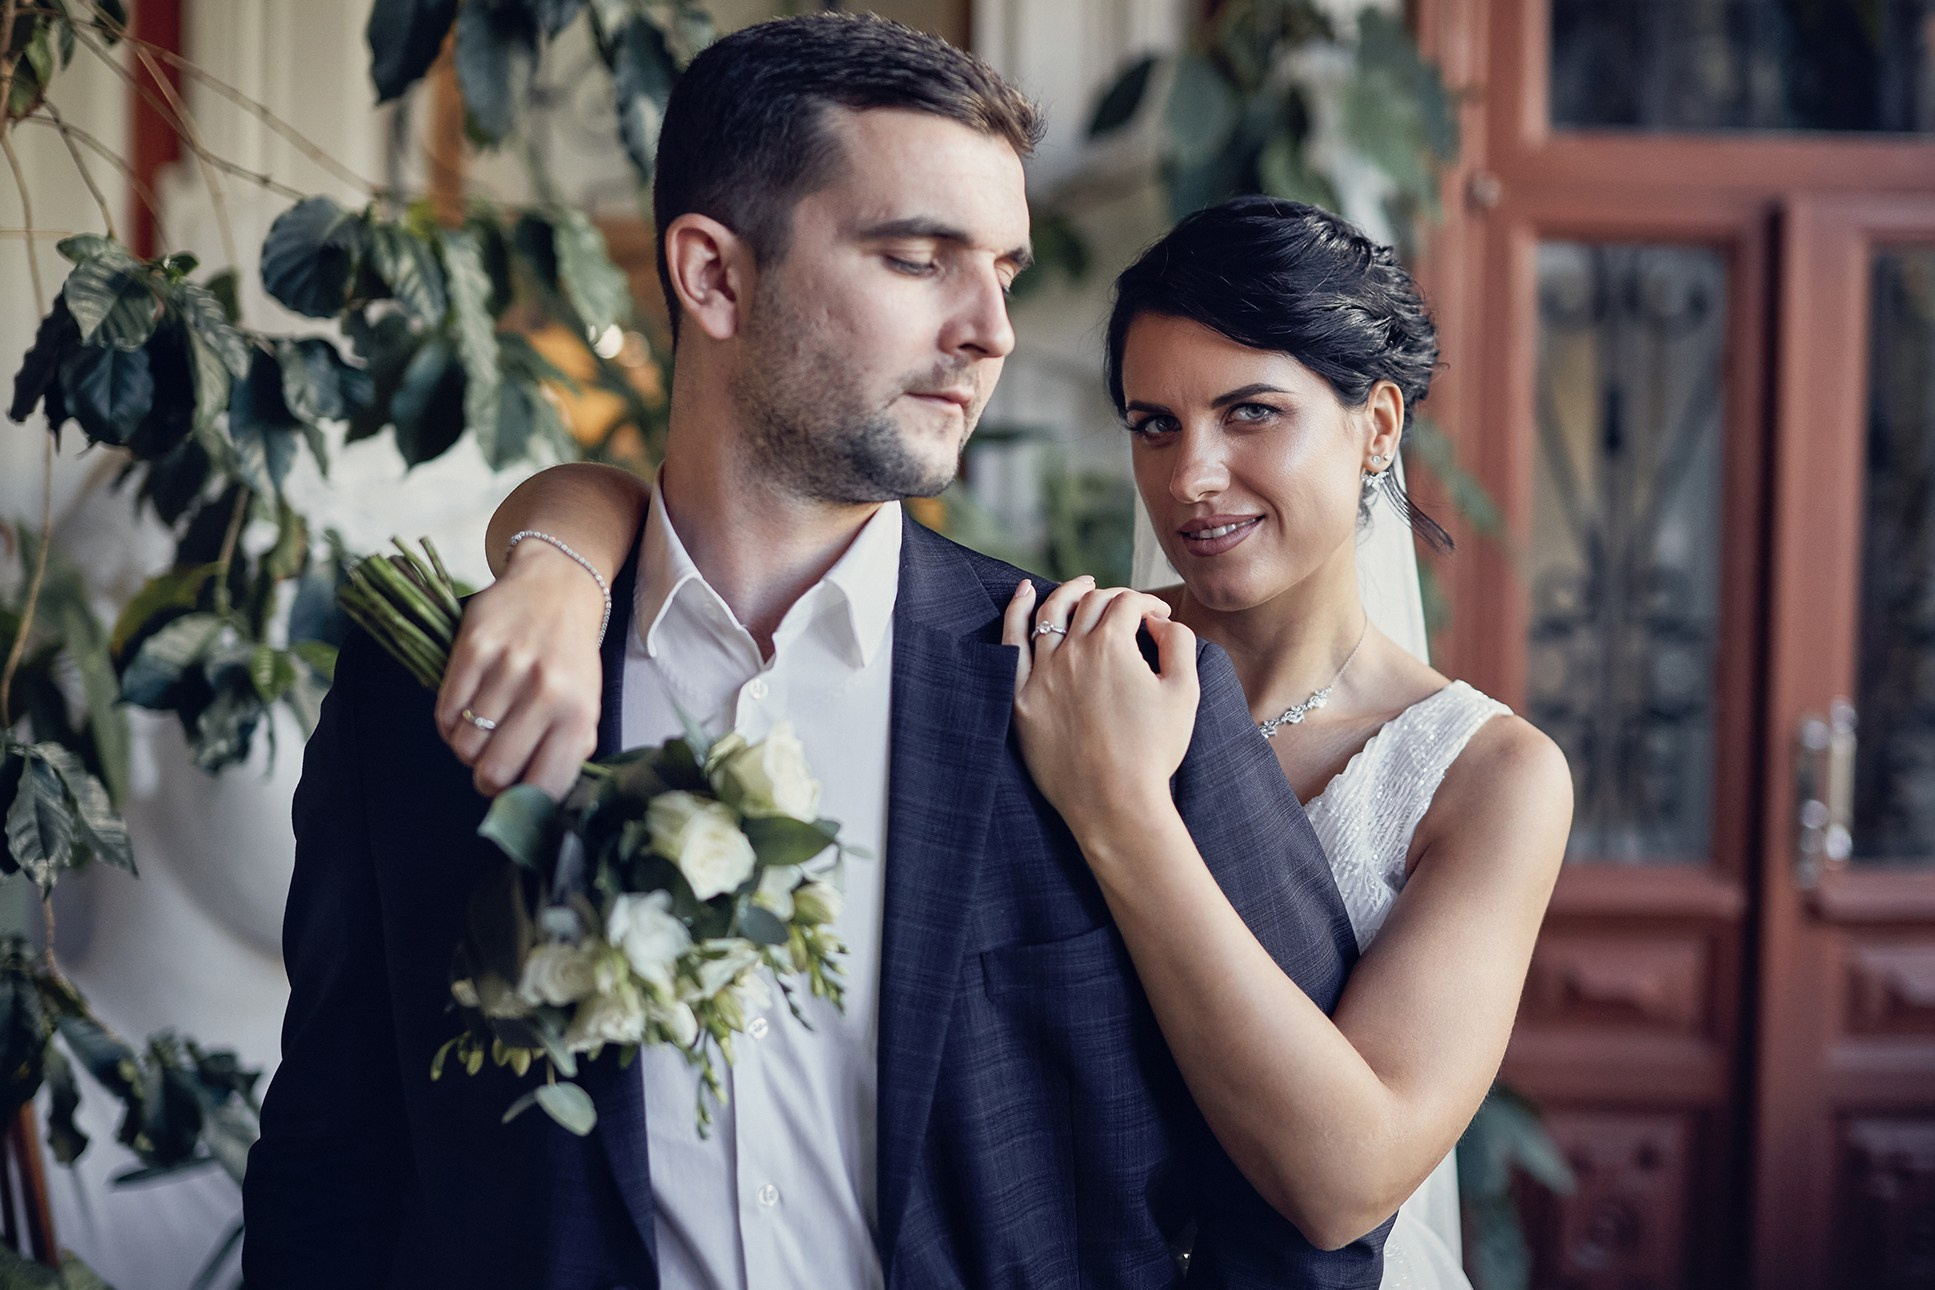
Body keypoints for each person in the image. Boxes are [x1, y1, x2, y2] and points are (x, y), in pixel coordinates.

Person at [244, 15, 1386, 1289]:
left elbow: (1305, 1233)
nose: (992, 330)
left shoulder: (1126, 693)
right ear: (715, 277)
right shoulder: (433, 706)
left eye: (1003, 271)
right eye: (919, 259)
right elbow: (331, 1175)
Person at [454, 196, 1573, 1288]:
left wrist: (1119, 809)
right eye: (1155, 424)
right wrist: (557, 571)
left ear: (1377, 426)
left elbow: (1345, 1183)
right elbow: (641, 506)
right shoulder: (1057, 655)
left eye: (1251, 414)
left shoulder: (1489, 778)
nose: (1191, 476)